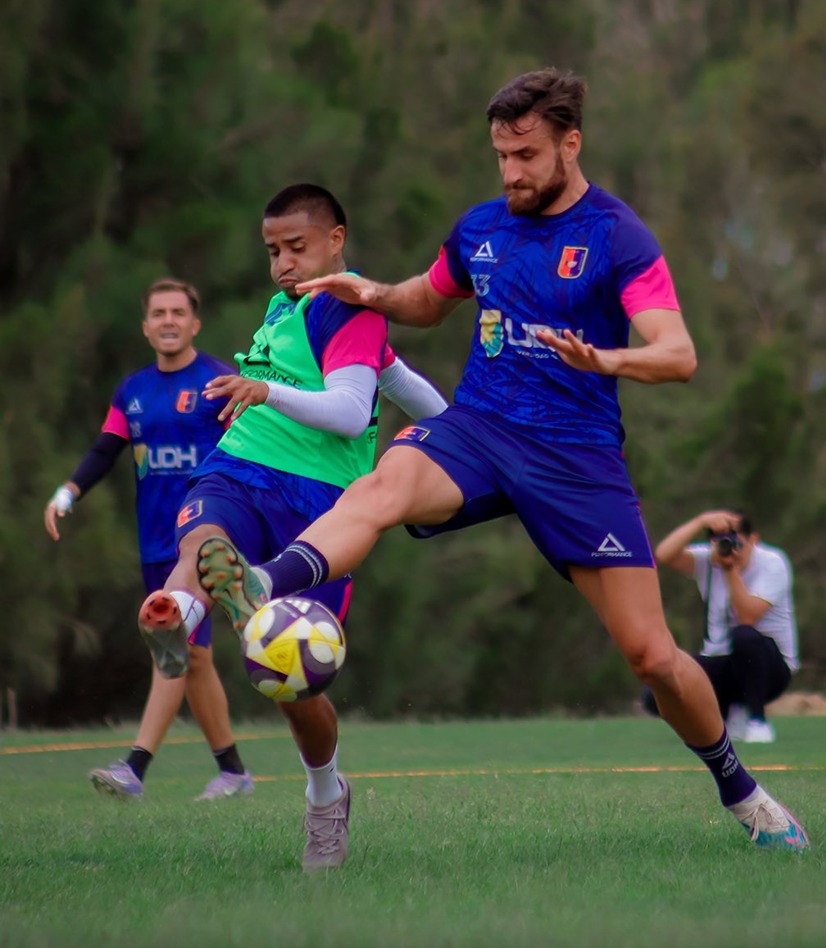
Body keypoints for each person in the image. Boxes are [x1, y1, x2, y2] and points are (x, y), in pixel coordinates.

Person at [198, 68, 809, 852]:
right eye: (501, 156)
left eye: (526, 155)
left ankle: (742, 791)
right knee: (382, 484)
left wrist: (607, 362)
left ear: (570, 143)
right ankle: (263, 583)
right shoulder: (484, 225)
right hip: (480, 428)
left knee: (652, 656)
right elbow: (429, 298)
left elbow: (679, 354)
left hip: (577, 458)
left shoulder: (618, 236)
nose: (512, 173)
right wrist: (373, 292)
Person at [137, 183, 448, 870]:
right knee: (202, 536)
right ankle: (176, 612)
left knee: (294, 685)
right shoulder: (289, 308)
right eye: (273, 250)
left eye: (296, 248)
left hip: (320, 507)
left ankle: (325, 794)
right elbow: (399, 384)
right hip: (244, 463)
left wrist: (457, 437)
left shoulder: (350, 309)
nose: (282, 263)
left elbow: (349, 409)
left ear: (337, 240)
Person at [44, 278, 254, 801]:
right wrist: (66, 494)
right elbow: (104, 450)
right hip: (153, 543)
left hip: (202, 540)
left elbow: (255, 447)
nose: (168, 321)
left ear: (195, 324)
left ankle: (134, 767)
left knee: (172, 642)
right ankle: (232, 771)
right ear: (145, 326)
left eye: (178, 312)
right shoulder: (132, 391)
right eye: (158, 313)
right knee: (193, 658)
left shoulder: (219, 381)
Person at [642, 509, 799, 744]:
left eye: (737, 541)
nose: (730, 548)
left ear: (753, 539)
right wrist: (700, 520)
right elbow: (663, 555)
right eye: (722, 542)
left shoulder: (772, 563)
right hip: (721, 659)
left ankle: (756, 720)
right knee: (657, 693)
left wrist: (729, 570)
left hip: (770, 668)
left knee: (744, 636)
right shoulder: (708, 559)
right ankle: (722, 715)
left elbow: (747, 616)